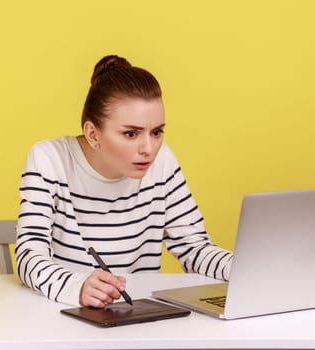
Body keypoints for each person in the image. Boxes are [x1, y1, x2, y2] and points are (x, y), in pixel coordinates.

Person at [15, 55, 233, 308]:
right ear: (92, 133)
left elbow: (194, 249)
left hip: (137, 317)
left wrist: (249, 269)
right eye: (131, 133)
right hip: (62, 313)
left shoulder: (162, 161)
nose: (148, 149)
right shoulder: (49, 159)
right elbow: (29, 255)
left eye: (157, 132)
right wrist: (79, 287)